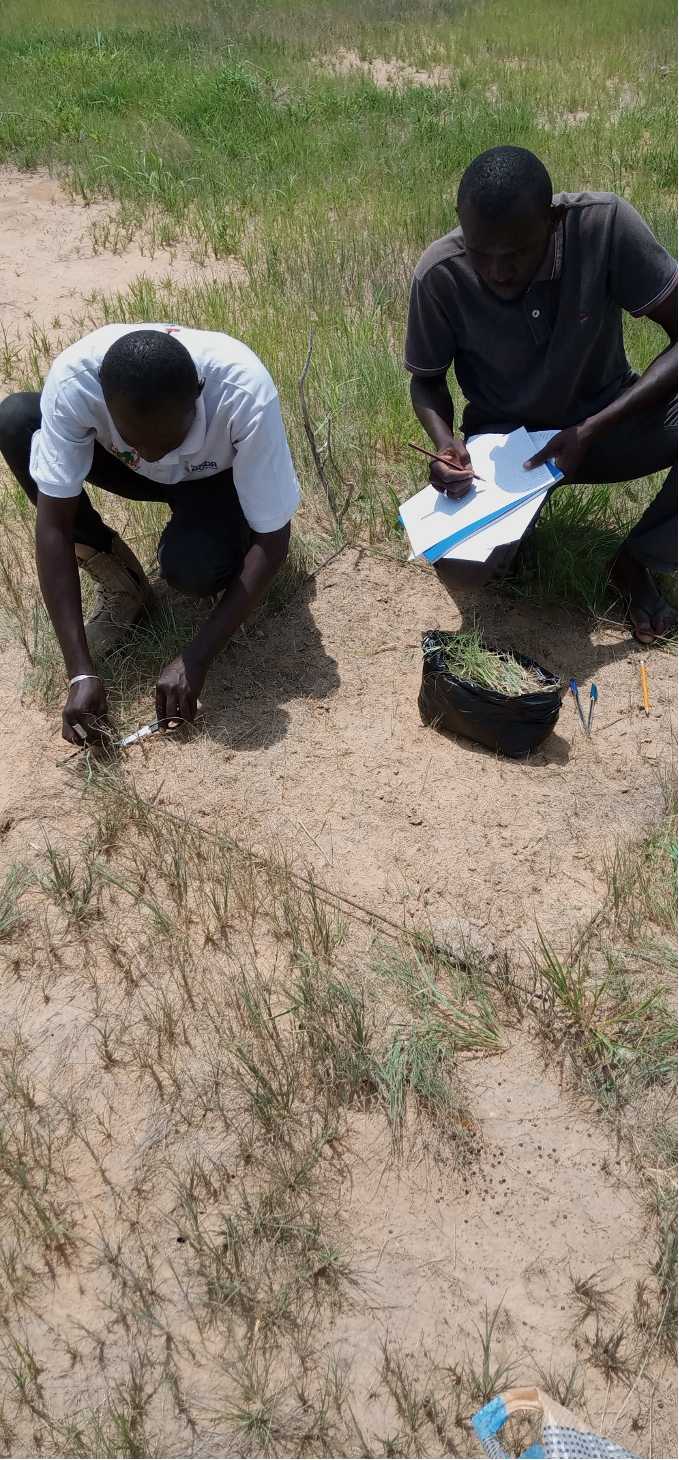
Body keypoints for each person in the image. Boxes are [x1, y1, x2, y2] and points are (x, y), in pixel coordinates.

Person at [405, 145, 678, 643]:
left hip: (604, 424)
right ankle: (514, 537)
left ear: (553, 221)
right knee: (460, 570)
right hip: (502, 457)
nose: (497, 271)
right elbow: (426, 379)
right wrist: (446, 442)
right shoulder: (440, 273)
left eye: (514, 254)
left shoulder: (603, 226)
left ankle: (638, 561)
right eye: (480, 252)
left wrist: (593, 429)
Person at [0, 324, 300, 743]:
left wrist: (196, 658)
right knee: (18, 420)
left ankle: (228, 524)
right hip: (123, 468)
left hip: (214, 477)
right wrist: (79, 672)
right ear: (104, 402)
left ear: (198, 391)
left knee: (193, 571)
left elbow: (274, 541)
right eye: (136, 440)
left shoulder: (242, 391)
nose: (155, 456)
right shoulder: (76, 382)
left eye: (168, 439)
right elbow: (53, 524)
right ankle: (123, 582)